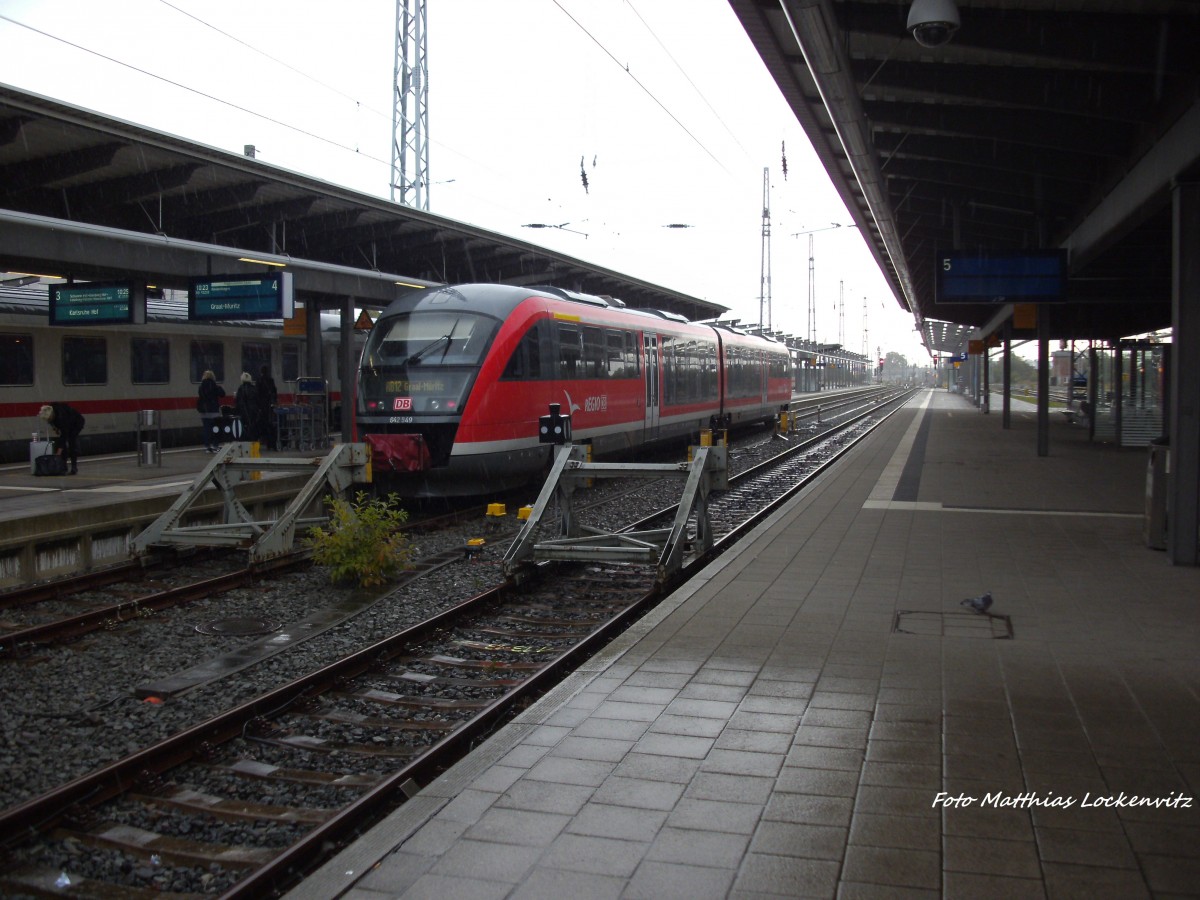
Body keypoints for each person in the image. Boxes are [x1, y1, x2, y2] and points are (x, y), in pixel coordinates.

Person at [37, 402, 85, 474]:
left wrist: (59, 452)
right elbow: (52, 422)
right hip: (66, 423)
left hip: (77, 423)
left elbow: (64, 435)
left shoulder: (62, 417)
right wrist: (55, 428)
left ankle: (74, 467)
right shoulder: (49, 410)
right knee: (63, 445)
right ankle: (64, 466)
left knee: (71, 441)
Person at [197, 370, 226, 452]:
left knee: (206, 429)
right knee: (215, 429)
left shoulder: (201, 387)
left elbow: (201, 396)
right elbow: (223, 394)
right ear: (213, 377)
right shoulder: (215, 386)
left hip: (204, 411)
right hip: (214, 411)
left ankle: (207, 446)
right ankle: (215, 445)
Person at [256, 364, 279, 451]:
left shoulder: (259, 380)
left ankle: (261, 441)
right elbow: (274, 392)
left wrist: (258, 406)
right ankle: (271, 444)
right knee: (271, 425)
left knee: (262, 425)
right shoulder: (270, 380)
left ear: (261, 371)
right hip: (269, 406)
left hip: (262, 407)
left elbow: (257, 394)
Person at [234, 371, 259, 442]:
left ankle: (246, 443)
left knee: (244, 428)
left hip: (244, 412)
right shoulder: (254, 388)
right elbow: (257, 400)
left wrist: (237, 410)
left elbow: (238, 401)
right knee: (253, 428)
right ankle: (254, 445)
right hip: (253, 411)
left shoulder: (240, 388)